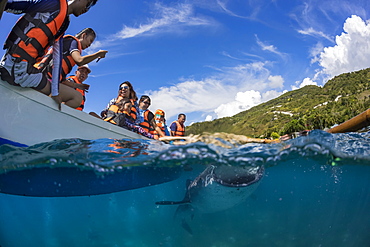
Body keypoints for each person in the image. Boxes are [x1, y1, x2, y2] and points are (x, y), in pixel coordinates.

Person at [0, 0, 99, 110]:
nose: (87, 9)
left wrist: (55, 92)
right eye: (89, 4)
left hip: (23, 69)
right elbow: (10, 4)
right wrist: (98, 54)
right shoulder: (53, 3)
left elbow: (57, 60)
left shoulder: (64, 23)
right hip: (18, 70)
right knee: (76, 97)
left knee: (62, 94)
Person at [37, 27, 107, 81]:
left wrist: (78, 86)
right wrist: (98, 54)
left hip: (49, 78)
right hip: (45, 77)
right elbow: (80, 61)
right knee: (76, 97)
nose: (89, 45)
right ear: (84, 35)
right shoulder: (73, 42)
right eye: (90, 41)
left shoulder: (70, 46)